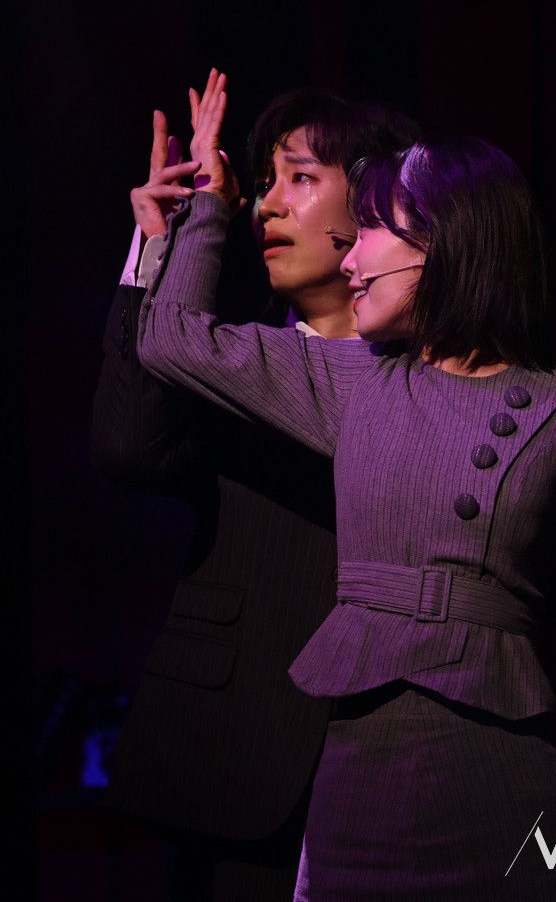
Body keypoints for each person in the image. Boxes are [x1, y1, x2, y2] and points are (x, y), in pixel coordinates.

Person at [134, 71, 556, 900]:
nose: (349, 256)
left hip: (511, 801)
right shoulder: (357, 384)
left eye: (368, 230)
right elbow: (170, 339)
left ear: (446, 244)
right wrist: (207, 210)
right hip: (357, 801)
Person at [91, 79, 421, 900]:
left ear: (377, 205)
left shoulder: (437, 384)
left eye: (299, 178)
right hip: (235, 759)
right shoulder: (231, 361)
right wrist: (159, 245)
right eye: (266, 182)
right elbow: (126, 446)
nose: (265, 205)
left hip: (396, 780)